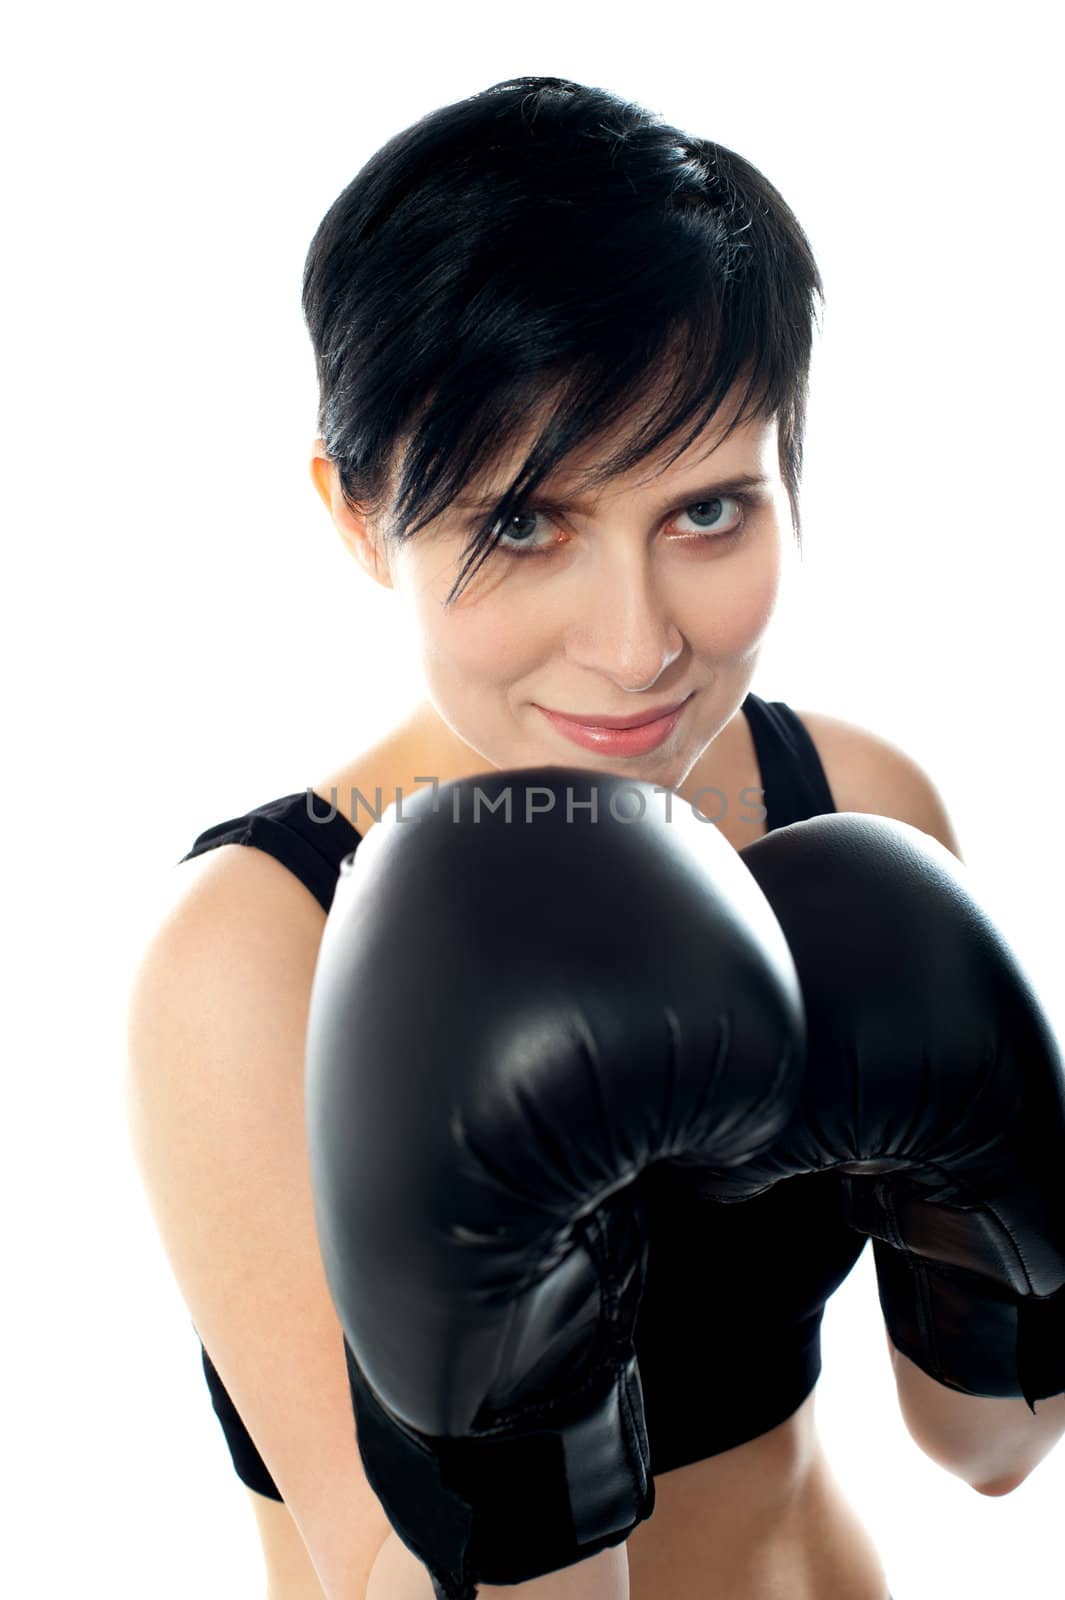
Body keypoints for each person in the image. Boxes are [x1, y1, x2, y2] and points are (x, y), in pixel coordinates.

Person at [123, 74, 1065, 1600]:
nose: (634, 648)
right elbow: (405, 1577)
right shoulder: (255, 949)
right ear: (359, 518)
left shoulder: (858, 805)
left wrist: (1010, 1249)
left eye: (705, 512)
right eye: (520, 523)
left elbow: (988, 1451)